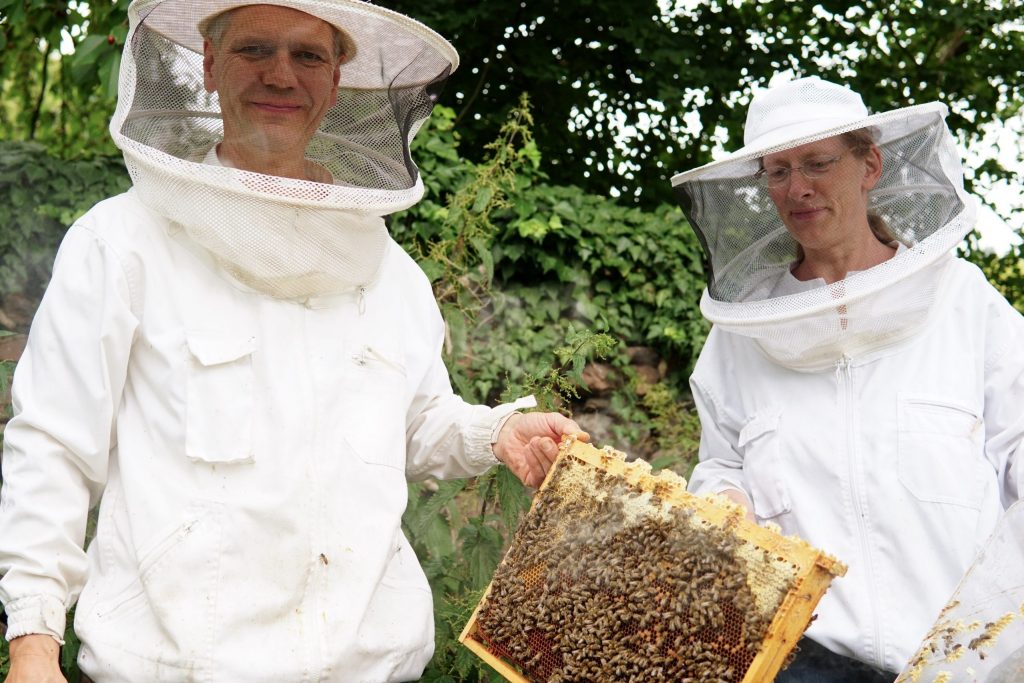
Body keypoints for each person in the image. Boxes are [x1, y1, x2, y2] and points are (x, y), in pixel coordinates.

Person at [0, 1, 583, 681]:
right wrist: (33, 642)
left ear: (336, 81)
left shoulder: (390, 272)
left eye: (307, 55)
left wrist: (497, 432)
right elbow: (53, 444)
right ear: (210, 66)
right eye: (254, 49)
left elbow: (416, 422)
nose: (281, 75)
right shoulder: (120, 242)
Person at [670, 76, 1024, 680]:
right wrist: (725, 501)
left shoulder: (966, 303)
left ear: (870, 165)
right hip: (800, 662)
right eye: (778, 171)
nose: (798, 188)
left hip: (964, 662)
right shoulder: (740, 335)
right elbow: (722, 463)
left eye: (818, 162)